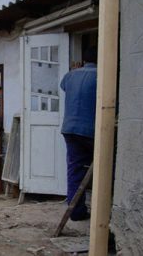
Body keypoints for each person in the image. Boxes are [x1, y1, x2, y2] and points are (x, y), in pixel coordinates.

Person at [60, 47, 97, 221]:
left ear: (83, 60)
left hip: (69, 129)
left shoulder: (70, 75)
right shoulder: (101, 75)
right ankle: (101, 212)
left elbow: (64, 87)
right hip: (91, 130)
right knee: (102, 170)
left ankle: (76, 211)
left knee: (74, 170)